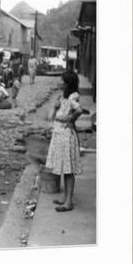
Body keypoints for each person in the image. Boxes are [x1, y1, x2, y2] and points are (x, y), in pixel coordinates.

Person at [46, 71, 83, 212]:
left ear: (66, 83)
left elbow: (79, 110)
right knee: (63, 167)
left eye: (61, 80)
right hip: (59, 135)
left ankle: (68, 202)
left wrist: (70, 120)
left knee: (68, 170)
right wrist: (55, 107)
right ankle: (65, 198)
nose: (58, 81)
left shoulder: (73, 97)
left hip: (66, 135)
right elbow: (50, 117)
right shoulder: (62, 98)